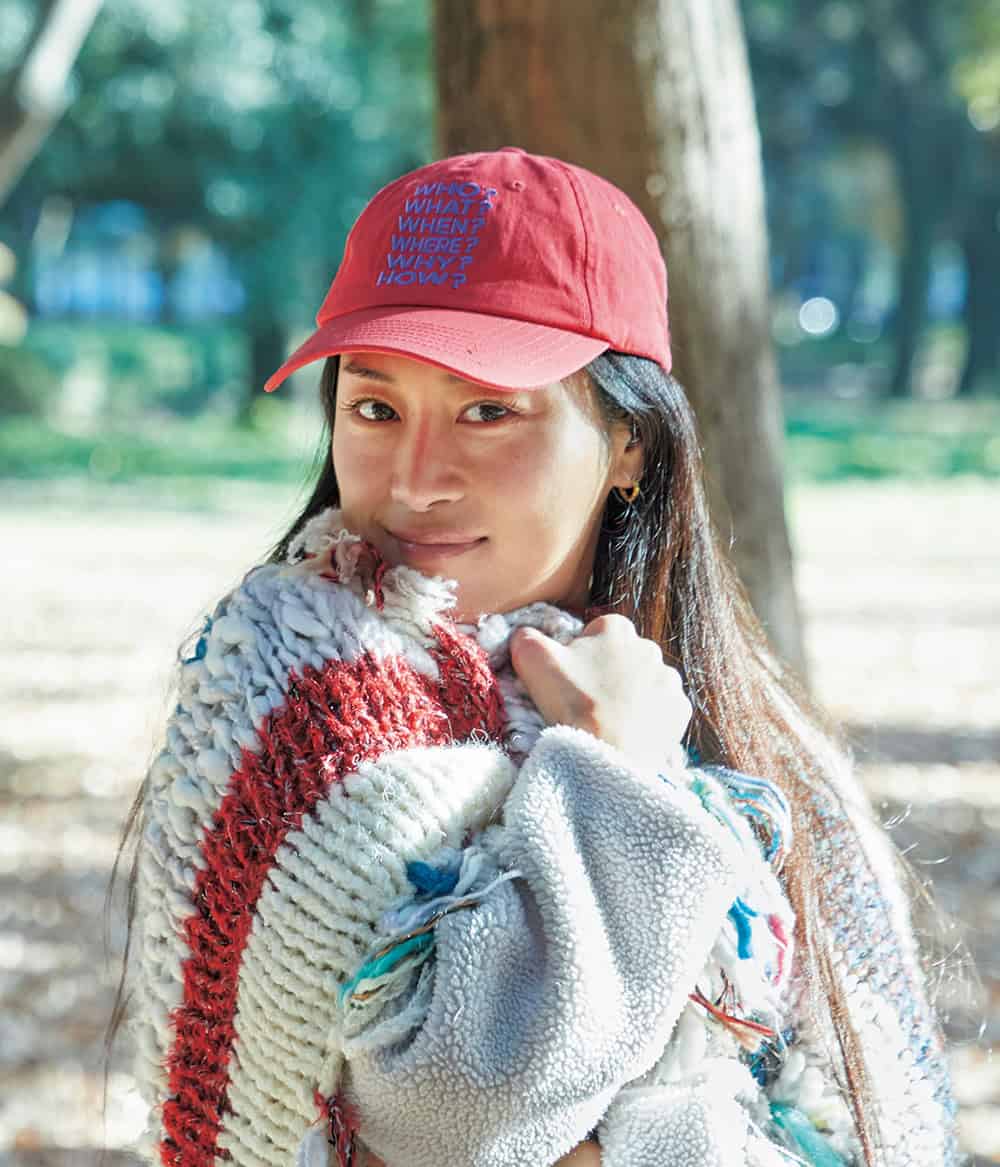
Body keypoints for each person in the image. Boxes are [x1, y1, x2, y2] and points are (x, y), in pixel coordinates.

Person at [110, 148, 959, 1167]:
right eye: (375, 408)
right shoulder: (291, 698)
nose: (416, 480)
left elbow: (886, 1121)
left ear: (630, 442)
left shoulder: (763, 747)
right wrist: (614, 771)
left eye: (488, 410)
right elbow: (465, 1113)